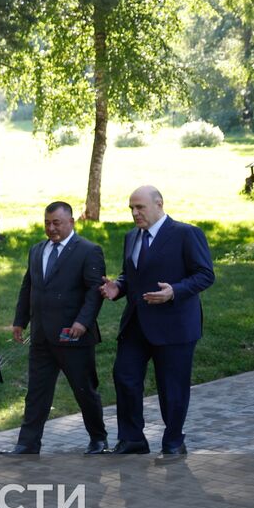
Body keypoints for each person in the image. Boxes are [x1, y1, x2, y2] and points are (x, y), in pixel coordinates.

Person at [99, 186, 215, 456]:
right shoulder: (131, 237)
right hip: (136, 324)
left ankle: (174, 441)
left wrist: (174, 291)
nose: (135, 213)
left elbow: (205, 275)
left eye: (140, 207)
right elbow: (132, 275)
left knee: (172, 387)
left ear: (159, 204)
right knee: (124, 377)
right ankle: (132, 440)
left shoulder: (186, 234)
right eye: (131, 209)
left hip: (175, 325)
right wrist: (119, 287)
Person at [2, 201, 109, 455]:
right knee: (36, 392)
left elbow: (95, 293)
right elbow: (28, 287)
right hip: (41, 336)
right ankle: (28, 444)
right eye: (47, 223)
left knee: (84, 390)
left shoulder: (88, 250)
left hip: (74, 337)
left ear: (71, 222)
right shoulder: (37, 250)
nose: (51, 228)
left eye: (57, 223)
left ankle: (99, 439)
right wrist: (20, 321)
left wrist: (82, 322)